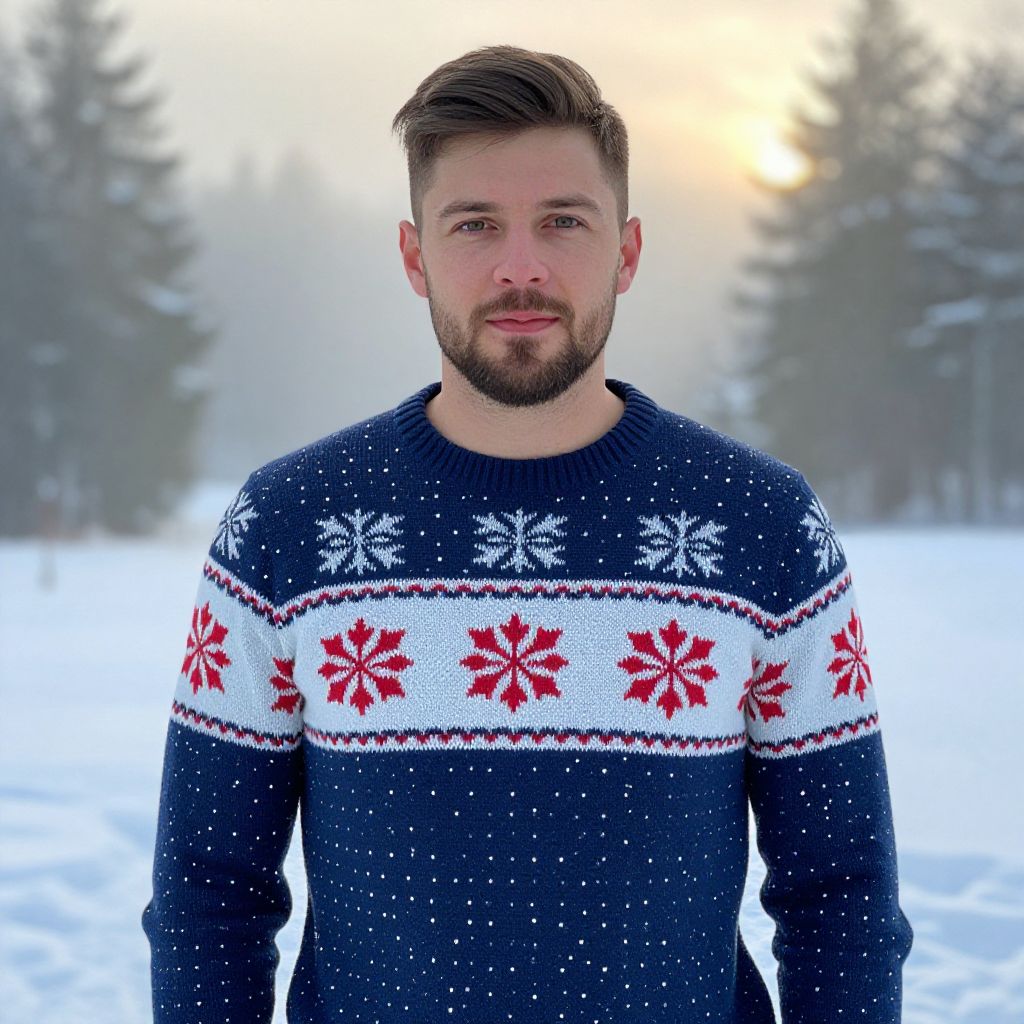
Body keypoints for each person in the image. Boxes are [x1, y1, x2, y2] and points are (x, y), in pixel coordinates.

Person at [142, 43, 913, 1024]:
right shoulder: (287, 531)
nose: (521, 267)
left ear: (625, 251)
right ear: (414, 255)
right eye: (474, 225)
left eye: (562, 221)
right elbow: (211, 892)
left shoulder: (760, 527)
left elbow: (840, 894)